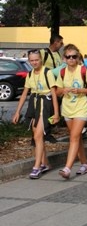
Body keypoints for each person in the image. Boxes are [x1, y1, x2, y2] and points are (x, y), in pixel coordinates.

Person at [11, 49, 60, 179]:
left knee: (38, 136)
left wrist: (56, 113)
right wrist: (17, 112)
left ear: (41, 60)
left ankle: (36, 167)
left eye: (36, 60)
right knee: (36, 136)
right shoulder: (30, 74)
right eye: (32, 60)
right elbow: (24, 94)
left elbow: (54, 93)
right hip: (34, 103)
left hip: (46, 103)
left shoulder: (47, 72)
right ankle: (46, 163)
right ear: (29, 61)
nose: (34, 62)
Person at [55, 44, 87, 179]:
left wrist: (80, 91)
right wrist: (63, 90)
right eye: (68, 57)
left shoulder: (84, 70)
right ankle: (85, 164)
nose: (71, 59)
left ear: (78, 57)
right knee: (77, 138)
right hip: (67, 109)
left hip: (81, 108)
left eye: (74, 56)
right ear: (64, 58)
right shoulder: (62, 72)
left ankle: (67, 168)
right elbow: (56, 90)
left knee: (73, 137)